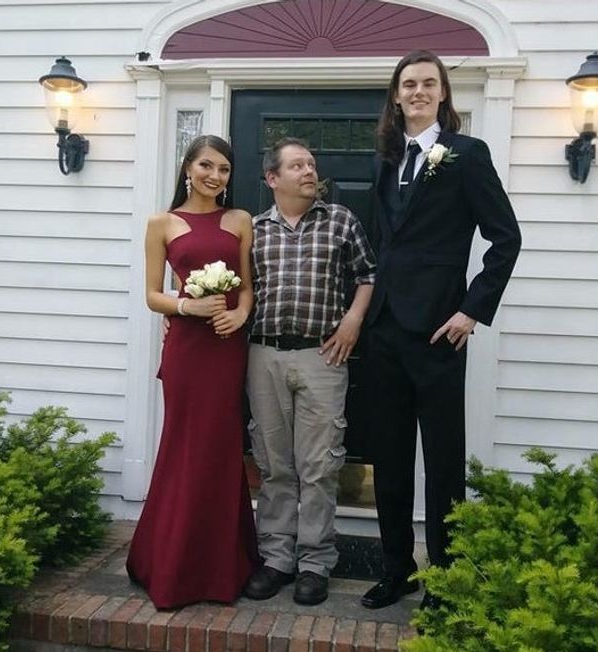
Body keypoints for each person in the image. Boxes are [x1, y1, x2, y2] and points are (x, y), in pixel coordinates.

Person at [361, 50, 521, 610]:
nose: (419, 92)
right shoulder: (385, 159)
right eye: (409, 84)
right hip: (384, 329)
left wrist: (471, 311)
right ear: (396, 95)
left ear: (443, 93)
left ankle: (446, 579)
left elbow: (506, 238)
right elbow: (384, 243)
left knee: (444, 461)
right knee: (389, 458)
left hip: (439, 331)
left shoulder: (467, 155)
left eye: (429, 83)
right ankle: (397, 570)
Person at [242, 137, 376, 606]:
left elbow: (368, 275)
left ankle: (315, 563)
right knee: (273, 464)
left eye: (312, 164)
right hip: (264, 355)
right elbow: (238, 291)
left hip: (323, 357)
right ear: (272, 178)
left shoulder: (340, 220)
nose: (309, 171)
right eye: (297, 165)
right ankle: (276, 558)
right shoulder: (252, 230)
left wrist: (353, 321)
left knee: (320, 466)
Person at [126, 135, 258, 609]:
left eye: (224, 169)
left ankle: (222, 567)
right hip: (186, 349)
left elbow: (248, 288)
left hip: (226, 347)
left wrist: (239, 315)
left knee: (221, 447)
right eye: (206, 165)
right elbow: (151, 295)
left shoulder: (240, 220)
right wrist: (187, 306)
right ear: (187, 167)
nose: (214, 176)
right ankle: (171, 562)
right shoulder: (161, 223)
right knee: (183, 447)